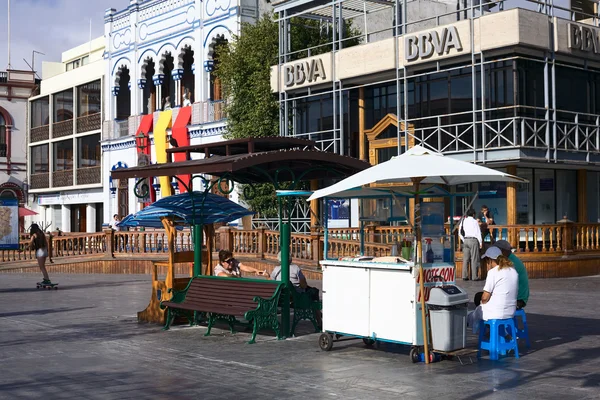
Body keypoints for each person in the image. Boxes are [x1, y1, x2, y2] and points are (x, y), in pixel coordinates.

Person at [467, 246, 518, 334]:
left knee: (476, 312)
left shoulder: (493, 272)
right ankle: (497, 334)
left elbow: (484, 298)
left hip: (496, 312)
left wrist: (482, 303)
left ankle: (470, 326)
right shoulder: (513, 271)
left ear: (489, 260)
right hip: (511, 311)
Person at [493, 240, 529, 309]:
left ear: (502, 251)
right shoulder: (511, 259)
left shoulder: (509, 262)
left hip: (518, 299)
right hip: (519, 297)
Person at [459, 208, 482, 281]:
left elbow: (460, 232)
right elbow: (478, 232)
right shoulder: (474, 222)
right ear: (473, 214)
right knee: (474, 258)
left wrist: (463, 239)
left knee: (465, 259)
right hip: (473, 240)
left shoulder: (463, 221)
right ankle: (474, 276)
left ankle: (464, 275)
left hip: (465, 240)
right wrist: (480, 242)